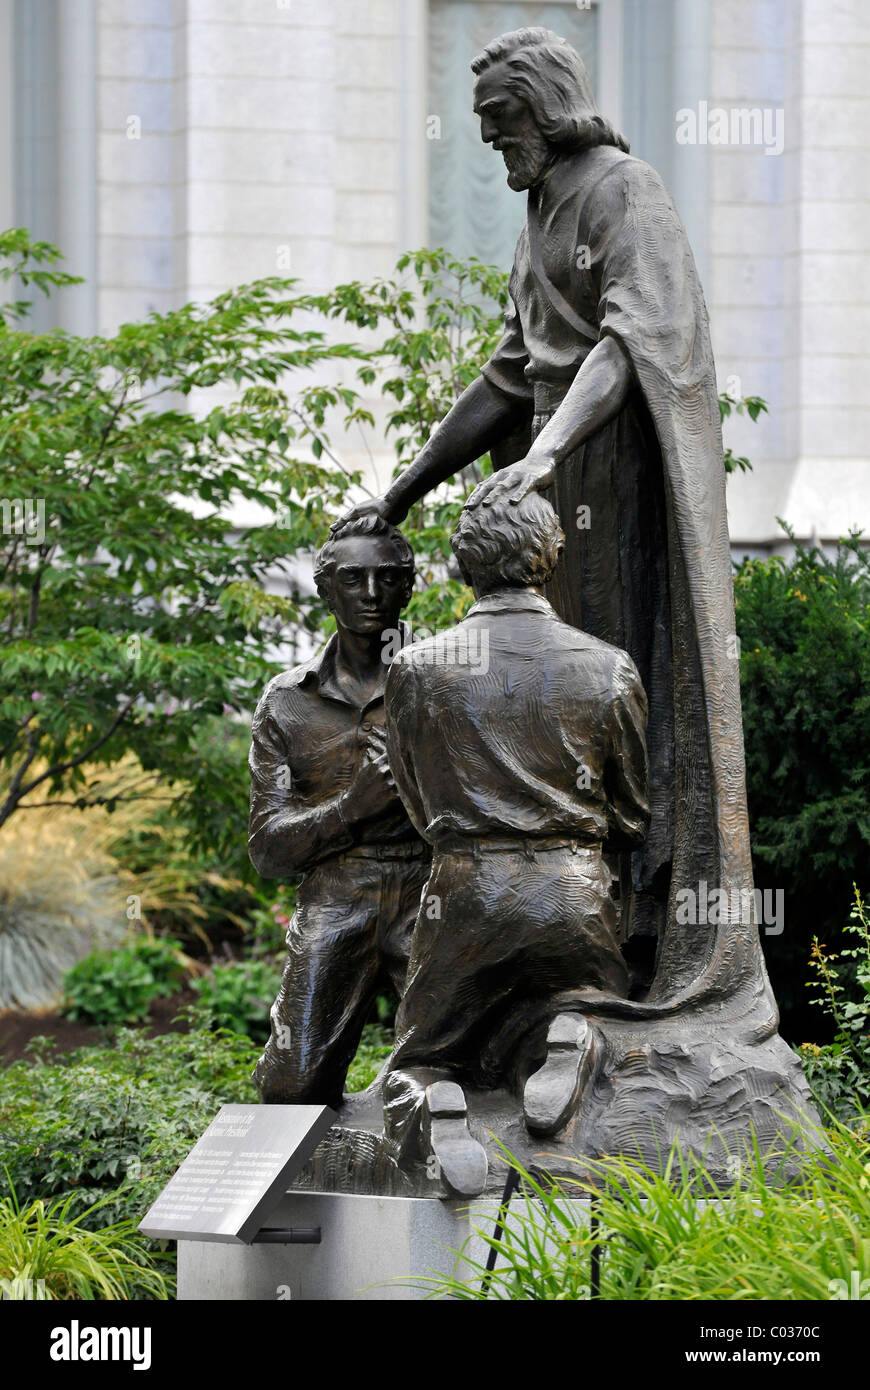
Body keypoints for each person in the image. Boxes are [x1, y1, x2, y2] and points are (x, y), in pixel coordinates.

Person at [336, 27, 769, 1036]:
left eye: (502, 128)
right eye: (483, 134)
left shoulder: (627, 191)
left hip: (614, 485)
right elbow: (507, 377)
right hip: (552, 488)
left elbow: (634, 342)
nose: (492, 149)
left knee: (610, 702)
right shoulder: (538, 216)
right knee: (541, 700)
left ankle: (629, 955)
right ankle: (551, 969)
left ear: (546, 107)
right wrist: (400, 494)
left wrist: (551, 448)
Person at [381, 491, 650, 1192]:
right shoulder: (608, 666)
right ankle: (577, 1038)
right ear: (551, 556)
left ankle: (436, 1105)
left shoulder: (415, 667)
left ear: (464, 564)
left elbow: (416, 798)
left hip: (468, 884)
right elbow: (632, 814)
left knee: (420, 1054)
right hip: (572, 887)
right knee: (584, 1005)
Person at [248, 516, 430, 1108]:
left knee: (461, 1068)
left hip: (434, 890)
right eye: (353, 579)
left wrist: (414, 788)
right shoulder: (287, 702)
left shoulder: (445, 682)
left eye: (388, 578)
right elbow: (269, 849)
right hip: (336, 892)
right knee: (291, 1084)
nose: (371, 594)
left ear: (409, 586)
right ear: (326, 590)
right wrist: (352, 808)